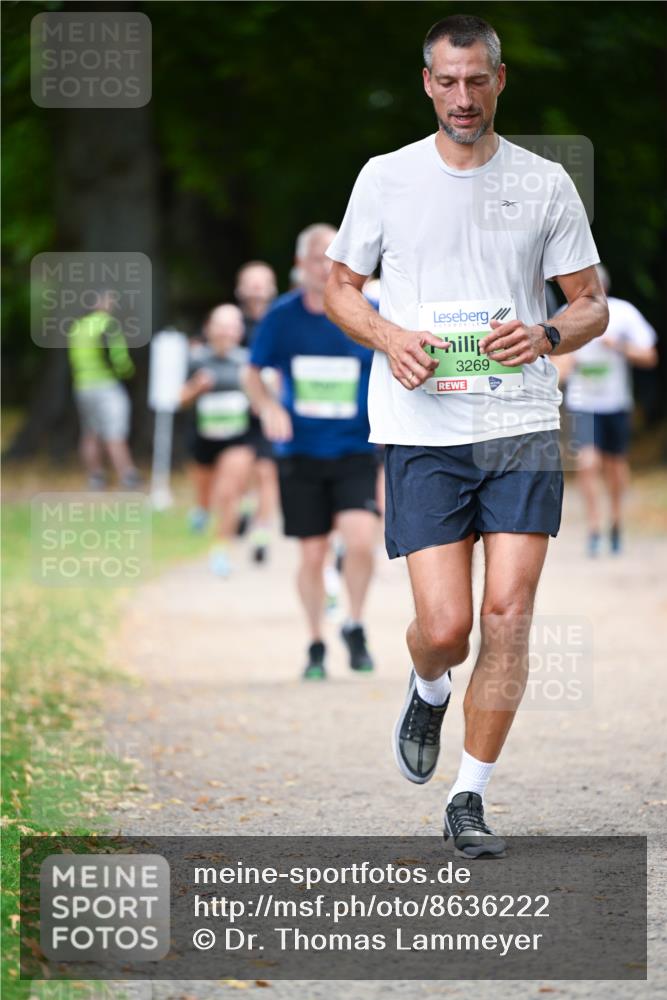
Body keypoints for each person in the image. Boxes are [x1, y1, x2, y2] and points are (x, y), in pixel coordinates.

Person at [324, 14, 607, 857]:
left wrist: (548, 334)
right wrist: (387, 336)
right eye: (446, 81)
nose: (461, 96)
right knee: (446, 627)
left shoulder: (545, 181)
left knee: (508, 616)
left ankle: (469, 796)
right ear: (425, 83)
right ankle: (426, 683)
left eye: (475, 80)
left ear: (499, 79)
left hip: (517, 421)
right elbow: (340, 285)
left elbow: (588, 299)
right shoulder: (386, 177)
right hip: (422, 425)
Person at [244, 224, 380, 680]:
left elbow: (394, 358)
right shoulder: (281, 318)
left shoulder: (366, 312)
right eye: (319, 257)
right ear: (301, 264)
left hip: (355, 447)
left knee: (360, 541)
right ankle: (316, 640)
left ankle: (355, 624)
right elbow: (252, 371)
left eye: (334, 257)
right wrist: (266, 407)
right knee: (312, 555)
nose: (327, 265)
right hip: (301, 452)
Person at [555, 264, 658, 556]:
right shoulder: (564, 314)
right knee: (587, 463)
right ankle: (594, 528)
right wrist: (564, 367)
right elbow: (553, 365)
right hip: (582, 403)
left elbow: (649, 355)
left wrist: (619, 347)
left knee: (615, 467)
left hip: (615, 403)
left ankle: (615, 520)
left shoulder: (623, 313)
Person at [180, 304, 256, 577]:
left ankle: (221, 550)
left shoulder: (247, 361)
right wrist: (195, 389)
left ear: (239, 331)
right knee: (206, 496)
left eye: (231, 326)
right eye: (220, 326)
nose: (225, 332)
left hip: (237, 439)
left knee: (228, 493)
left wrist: (259, 392)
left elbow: (262, 401)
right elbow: (179, 400)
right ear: (208, 328)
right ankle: (201, 510)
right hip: (202, 439)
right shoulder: (195, 359)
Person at [68, 290, 141, 490]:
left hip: (82, 385)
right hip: (106, 385)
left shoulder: (78, 327)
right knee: (115, 432)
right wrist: (128, 372)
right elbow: (118, 357)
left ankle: (95, 477)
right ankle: (127, 476)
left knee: (90, 433)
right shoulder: (107, 324)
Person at [235, 260, 280, 562]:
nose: (256, 289)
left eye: (261, 282)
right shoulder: (231, 324)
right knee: (244, 469)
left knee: (267, 471)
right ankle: (246, 506)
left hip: (270, 410)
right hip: (237, 413)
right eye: (251, 282)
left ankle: (262, 532)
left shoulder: (281, 321)